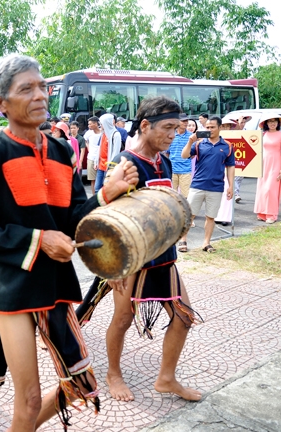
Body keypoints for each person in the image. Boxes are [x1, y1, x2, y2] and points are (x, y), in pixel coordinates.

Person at [0, 54, 139, 432]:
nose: (40, 95)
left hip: (56, 283)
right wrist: (39, 239)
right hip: (13, 287)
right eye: (27, 89)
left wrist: (108, 192)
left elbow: (72, 218)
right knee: (29, 398)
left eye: (43, 87)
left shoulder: (61, 152)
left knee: (78, 384)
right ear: (0, 104)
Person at [79, 95, 203, 406]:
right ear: (145, 125)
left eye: (177, 129)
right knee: (122, 319)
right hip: (131, 261)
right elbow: (106, 218)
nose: (173, 135)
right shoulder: (125, 163)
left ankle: (166, 378)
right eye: (168, 128)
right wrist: (114, 267)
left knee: (184, 317)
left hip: (163, 256)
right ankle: (113, 374)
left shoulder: (165, 160)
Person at [179, 116, 235, 253]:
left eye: (212, 127)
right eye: (207, 127)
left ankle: (206, 243)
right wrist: (190, 141)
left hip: (216, 187)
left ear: (220, 127)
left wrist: (231, 186)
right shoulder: (199, 144)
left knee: (211, 216)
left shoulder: (227, 146)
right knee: (190, 214)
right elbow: (184, 155)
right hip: (197, 184)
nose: (209, 130)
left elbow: (231, 166)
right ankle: (183, 240)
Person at [254, 114, 281, 223]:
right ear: (266, 123)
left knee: (271, 189)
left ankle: (271, 215)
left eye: (275, 121)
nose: (272, 123)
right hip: (263, 163)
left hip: (276, 163)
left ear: (278, 123)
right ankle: (261, 212)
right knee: (262, 188)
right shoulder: (263, 134)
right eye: (270, 121)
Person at [167, 117, 193, 199]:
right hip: (172, 170)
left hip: (185, 170)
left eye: (187, 121)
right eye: (183, 121)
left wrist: (185, 160)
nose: (186, 123)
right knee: (170, 195)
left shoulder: (191, 136)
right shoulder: (171, 135)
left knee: (186, 196)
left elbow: (193, 153)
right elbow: (167, 152)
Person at [94, 114, 121, 193]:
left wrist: (111, 166)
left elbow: (115, 152)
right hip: (100, 165)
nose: (100, 125)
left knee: (106, 188)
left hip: (108, 166)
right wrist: (96, 161)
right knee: (97, 188)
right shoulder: (103, 134)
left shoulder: (116, 135)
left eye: (101, 124)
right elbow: (99, 148)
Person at [83, 116, 102, 194]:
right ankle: (94, 196)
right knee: (93, 179)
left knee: (101, 179)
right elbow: (85, 141)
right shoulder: (88, 133)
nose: (88, 126)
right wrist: (89, 148)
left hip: (101, 158)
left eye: (90, 124)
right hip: (91, 158)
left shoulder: (103, 133)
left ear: (96, 124)